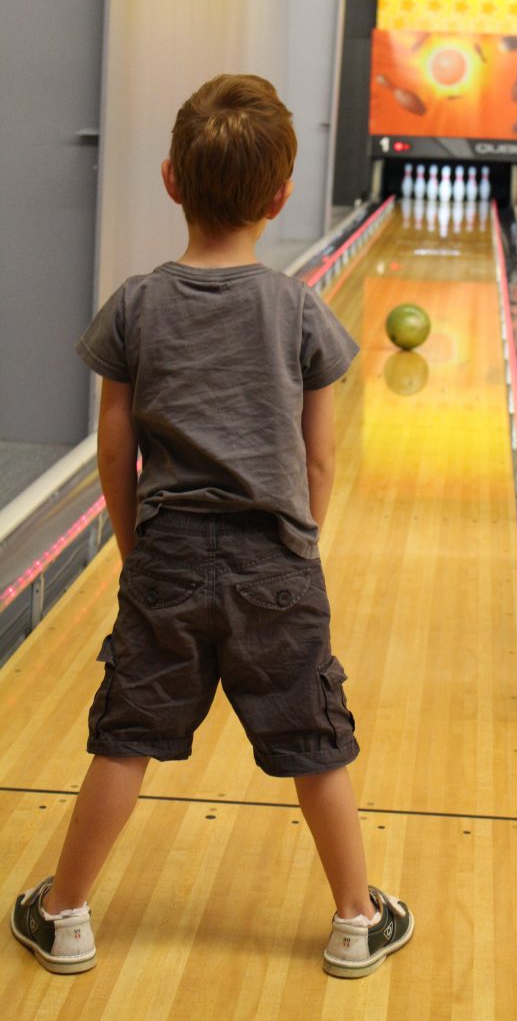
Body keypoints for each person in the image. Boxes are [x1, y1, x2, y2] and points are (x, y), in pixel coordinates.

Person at [11, 74, 413, 979]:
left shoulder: (136, 305)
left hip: (170, 558)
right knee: (315, 739)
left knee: (125, 735)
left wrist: (133, 547)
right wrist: (300, 546)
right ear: (279, 199)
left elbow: (117, 450)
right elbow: (319, 458)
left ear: (168, 179)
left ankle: (65, 911)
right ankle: (356, 918)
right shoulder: (299, 309)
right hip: (278, 558)